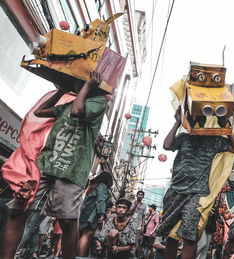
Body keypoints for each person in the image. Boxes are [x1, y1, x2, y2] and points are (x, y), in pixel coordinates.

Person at [0, 71, 108, 259]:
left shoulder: (99, 102)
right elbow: (39, 112)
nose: (74, 82)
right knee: (19, 211)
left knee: (67, 222)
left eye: (77, 79)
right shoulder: (67, 104)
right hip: (45, 164)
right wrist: (61, 92)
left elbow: (76, 112)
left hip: (72, 170)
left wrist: (87, 86)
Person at [157, 105, 234, 259]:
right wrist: (176, 122)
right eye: (194, 120)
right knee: (171, 234)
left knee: (190, 235)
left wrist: (226, 125)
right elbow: (167, 145)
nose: (197, 122)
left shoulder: (213, 140)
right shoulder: (183, 137)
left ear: (205, 122)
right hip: (176, 190)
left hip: (197, 194)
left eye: (201, 120)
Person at [77, 171, 113, 256]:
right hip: (92, 214)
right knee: (87, 235)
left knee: (83, 234)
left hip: (85, 213)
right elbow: (100, 200)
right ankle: (79, 256)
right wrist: (101, 214)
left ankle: (78, 255)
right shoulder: (102, 186)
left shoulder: (93, 185)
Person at [130, 190, 147, 254]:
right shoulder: (131, 203)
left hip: (138, 226)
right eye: (139, 194)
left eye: (141, 195)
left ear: (143, 197)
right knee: (128, 240)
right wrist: (135, 205)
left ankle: (132, 255)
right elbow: (130, 212)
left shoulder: (144, 206)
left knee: (135, 242)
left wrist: (143, 225)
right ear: (136, 195)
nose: (140, 196)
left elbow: (143, 216)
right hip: (130, 224)